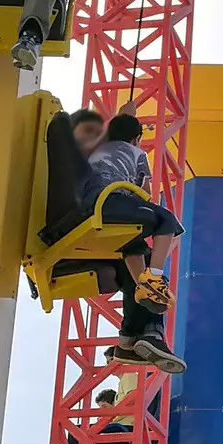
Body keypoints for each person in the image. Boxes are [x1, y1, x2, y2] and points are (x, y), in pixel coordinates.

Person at [39, 107, 186, 374]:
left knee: (134, 247)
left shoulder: (95, 152)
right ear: (136, 139)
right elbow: (145, 193)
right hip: (110, 205)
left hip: (90, 210)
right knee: (166, 220)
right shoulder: (137, 152)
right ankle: (154, 276)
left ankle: (129, 340)